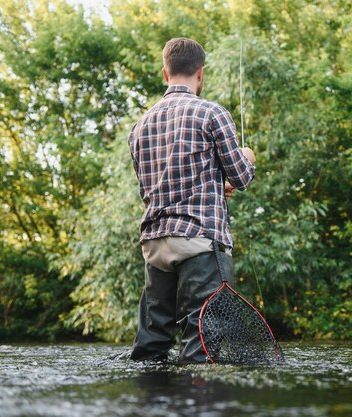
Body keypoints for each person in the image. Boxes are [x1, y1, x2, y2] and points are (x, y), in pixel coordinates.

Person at [127, 37, 256, 363]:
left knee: (151, 348)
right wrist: (248, 157)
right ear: (200, 73)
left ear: (164, 73)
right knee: (201, 346)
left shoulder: (139, 127)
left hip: (155, 247)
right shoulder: (212, 113)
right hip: (200, 243)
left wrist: (215, 184)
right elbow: (240, 177)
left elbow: (153, 187)